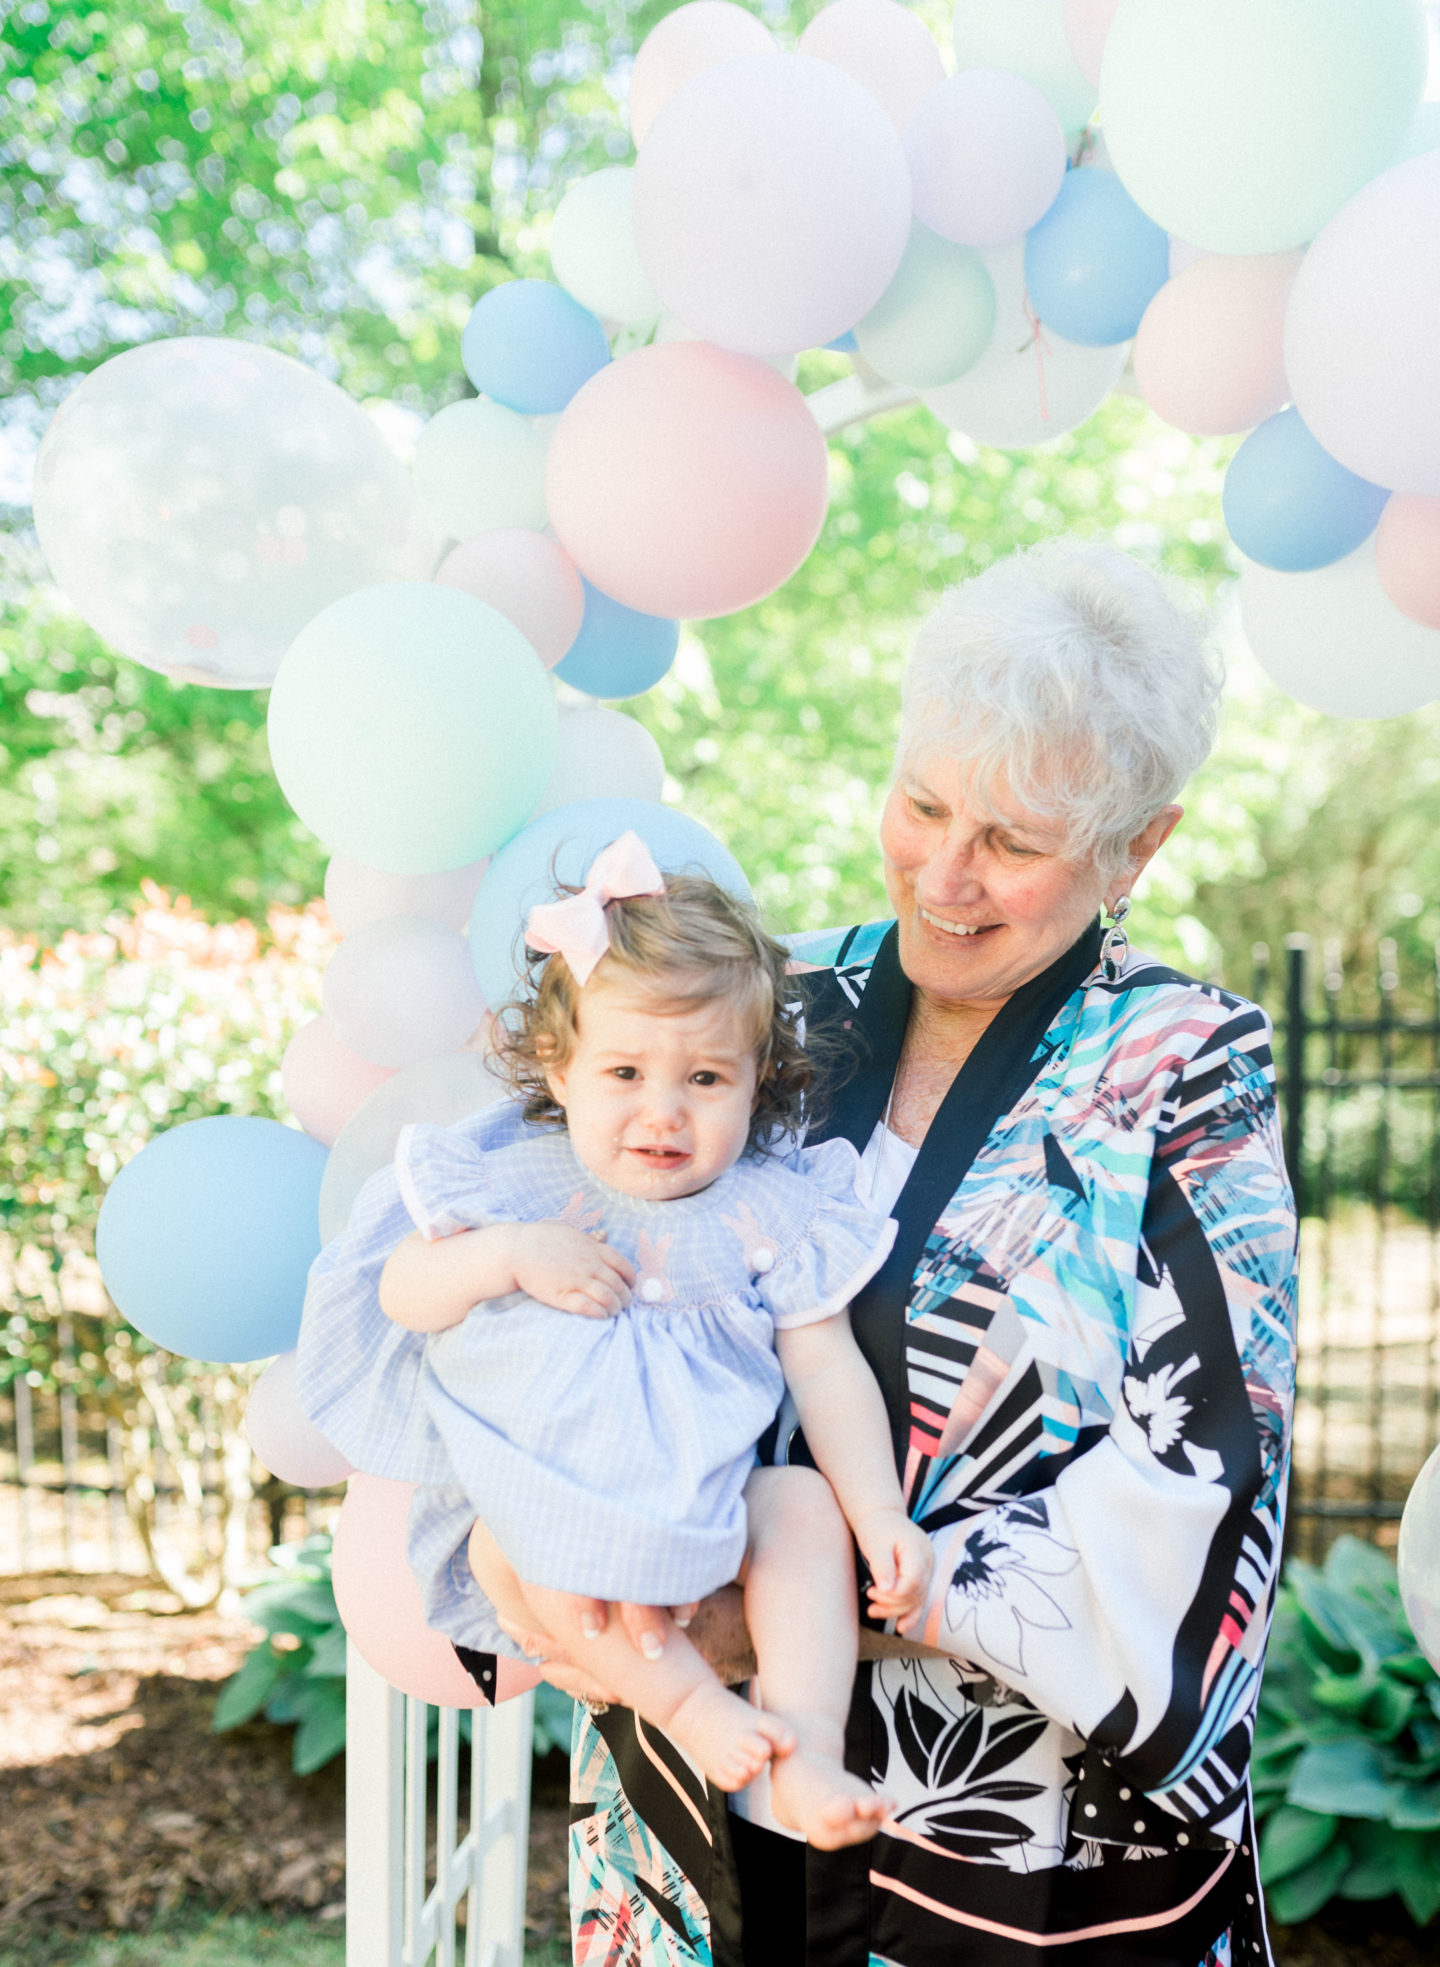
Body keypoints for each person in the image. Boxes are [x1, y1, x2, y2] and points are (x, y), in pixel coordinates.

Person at [463, 541, 1299, 1967]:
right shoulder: (761, 998)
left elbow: (1209, 1475)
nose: (949, 876)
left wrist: (798, 1597)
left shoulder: (1183, 1065)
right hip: (690, 1787)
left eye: (1018, 843)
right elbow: (539, 1234)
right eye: (922, 805)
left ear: (1136, 846)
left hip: (1006, 1846)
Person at [299, 833, 935, 1847]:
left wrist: (882, 1514)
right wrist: (504, 1254)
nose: (663, 1111)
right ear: (561, 1066)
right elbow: (405, 1292)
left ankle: (809, 1745)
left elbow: (826, 1365)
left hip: (707, 1514)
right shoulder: (512, 1178)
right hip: (541, 1510)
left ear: (758, 1074)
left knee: (801, 1505)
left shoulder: (766, 1208)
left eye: (707, 1079)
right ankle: (690, 1705)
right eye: (627, 1070)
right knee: (509, 1543)